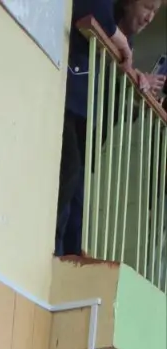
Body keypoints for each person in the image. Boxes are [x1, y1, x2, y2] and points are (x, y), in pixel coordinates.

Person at [57, 2, 133, 258]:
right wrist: (121, 43)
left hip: (87, 118)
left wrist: (136, 78)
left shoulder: (125, 40)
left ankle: (69, 253)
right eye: (147, 7)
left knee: (77, 192)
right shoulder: (108, 19)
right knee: (68, 173)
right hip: (68, 100)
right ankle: (54, 247)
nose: (149, 17)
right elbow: (92, 7)